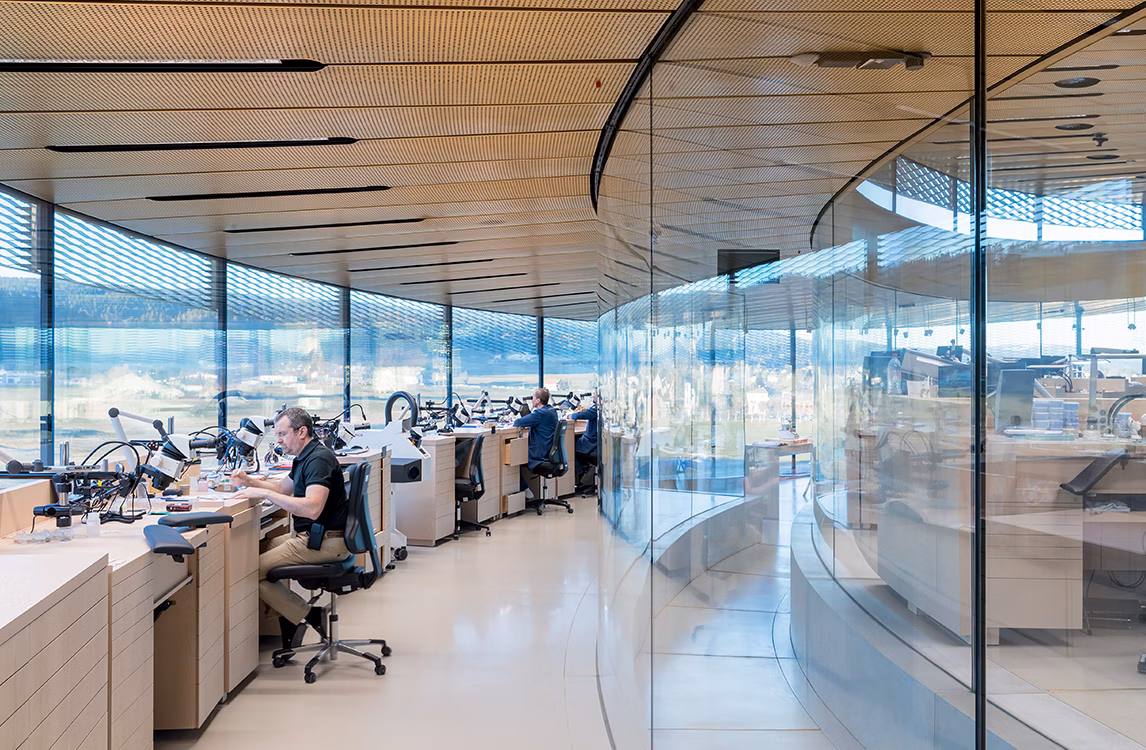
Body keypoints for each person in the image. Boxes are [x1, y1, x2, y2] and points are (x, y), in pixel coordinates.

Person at [232, 407, 349, 653]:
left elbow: (312, 509)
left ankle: (306, 615)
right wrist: (249, 481)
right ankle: (289, 619)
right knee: (259, 548)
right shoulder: (308, 455)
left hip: (325, 542)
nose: (279, 440)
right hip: (315, 536)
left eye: (283, 434)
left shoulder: (318, 460)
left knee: (251, 570)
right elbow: (283, 489)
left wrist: (263, 494)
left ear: (302, 431)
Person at [513, 387, 558, 496]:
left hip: (539, 455)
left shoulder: (540, 414)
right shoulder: (552, 410)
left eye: (533, 398)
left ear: (538, 400)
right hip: (548, 451)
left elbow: (518, 422)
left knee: (513, 460)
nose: (531, 400)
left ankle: (525, 490)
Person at [569, 391, 599, 482]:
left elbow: (584, 414)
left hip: (591, 443)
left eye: (595, 393)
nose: (593, 395)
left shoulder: (596, 409)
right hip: (596, 443)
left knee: (568, 449)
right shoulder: (603, 408)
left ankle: (580, 472)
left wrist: (570, 415)